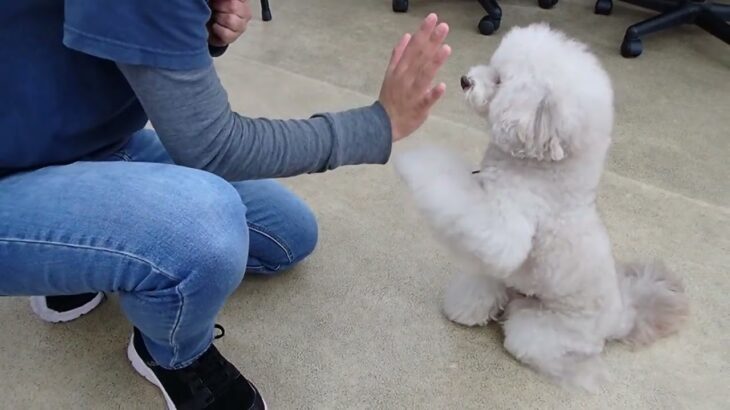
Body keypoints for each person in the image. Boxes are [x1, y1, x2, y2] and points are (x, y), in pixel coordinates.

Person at [0, 0, 451, 408]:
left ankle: (76, 244)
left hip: (76, 136)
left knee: (288, 234)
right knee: (204, 227)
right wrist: (378, 125)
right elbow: (214, 148)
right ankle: (173, 357)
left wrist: (200, 31)